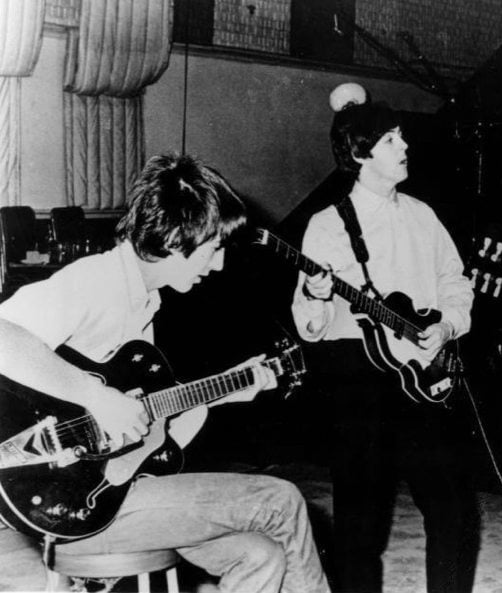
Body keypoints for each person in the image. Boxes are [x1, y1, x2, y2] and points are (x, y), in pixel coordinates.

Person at [0, 154, 330, 593]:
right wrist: (95, 396)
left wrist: (224, 391)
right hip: (72, 500)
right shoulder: (94, 281)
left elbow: (151, 432)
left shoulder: (143, 301)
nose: (217, 266)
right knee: (281, 499)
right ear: (176, 241)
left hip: (117, 488)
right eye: (214, 249)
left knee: (261, 555)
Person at [291, 94, 479, 593]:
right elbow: (310, 325)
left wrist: (448, 325)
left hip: (426, 377)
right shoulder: (328, 226)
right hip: (360, 384)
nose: (405, 145)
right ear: (359, 154)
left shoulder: (423, 214)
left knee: (454, 509)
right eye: (391, 139)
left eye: (402, 135)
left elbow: (455, 281)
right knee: (359, 527)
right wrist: (315, 296)